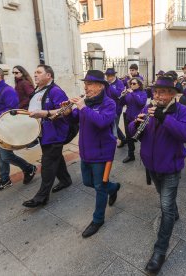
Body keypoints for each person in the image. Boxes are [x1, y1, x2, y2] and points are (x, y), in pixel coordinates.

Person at [128, 76, 186, 274]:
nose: (157, 95)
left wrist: (164, 118)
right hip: (151, 165)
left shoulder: (182, 110)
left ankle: (160, 251)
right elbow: (134, 133)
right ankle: (174, 210)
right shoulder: (147, 108)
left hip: (171, 166)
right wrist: (135, 122)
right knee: (164, 196)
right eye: (155, 92)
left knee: (165, 207)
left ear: (172, 94)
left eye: (162, 92)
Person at [68, 70, 121, 238]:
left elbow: (102, 122)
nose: (86, 87)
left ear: (100, 86)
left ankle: (98, 219)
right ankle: (113, 188)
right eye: (85, 84)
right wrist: (68, 111)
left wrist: (83, 107)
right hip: (86, 151)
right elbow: (75, 118)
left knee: (99, 187)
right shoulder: (87, 101)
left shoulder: (109, 103)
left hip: (102, 152)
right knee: (88, 182)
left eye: (89, 84)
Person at [22, 65, 73, 208]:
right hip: (44, 133)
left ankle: (41, 197)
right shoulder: (38, 90)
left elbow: (65, 110)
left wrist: (43, 113)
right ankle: (65, 180)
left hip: (54, 134)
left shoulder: (56, 91)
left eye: (39, 72)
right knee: (55, 158)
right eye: (35, 72)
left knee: (47, 164)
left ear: (49, 75)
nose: (35, 75)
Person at [0, 66, 36, 194]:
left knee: (6, 156)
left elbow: (12, 111)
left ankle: (29, 168)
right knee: (0, 156)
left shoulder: (8, 91)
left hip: (6, 129)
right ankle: (4, 179)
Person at [120, 77, 147, 163]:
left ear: (139, 85)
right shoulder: (128, 93)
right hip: (128, 117)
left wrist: (133, 94)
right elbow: (121, 103)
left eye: (134, 83)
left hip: (139, 119)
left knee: (142, 137)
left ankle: (145, 155)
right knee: (129, 138)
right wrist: (122, 96)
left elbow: (141, 103)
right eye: (131, 83)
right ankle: (131, 155)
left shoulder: (143, 93)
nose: (131, 85)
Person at [105, 68, 126, 147]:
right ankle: (123, 139)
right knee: (114, 125)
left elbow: (118, 95)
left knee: (114, 126)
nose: (107, 78)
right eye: (107, 76)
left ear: (113, 76)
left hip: (117, 108)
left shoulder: (119, 83)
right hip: (108, 108)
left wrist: (110, 86)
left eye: (109, 76)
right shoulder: (106, 83)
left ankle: (112, 143)